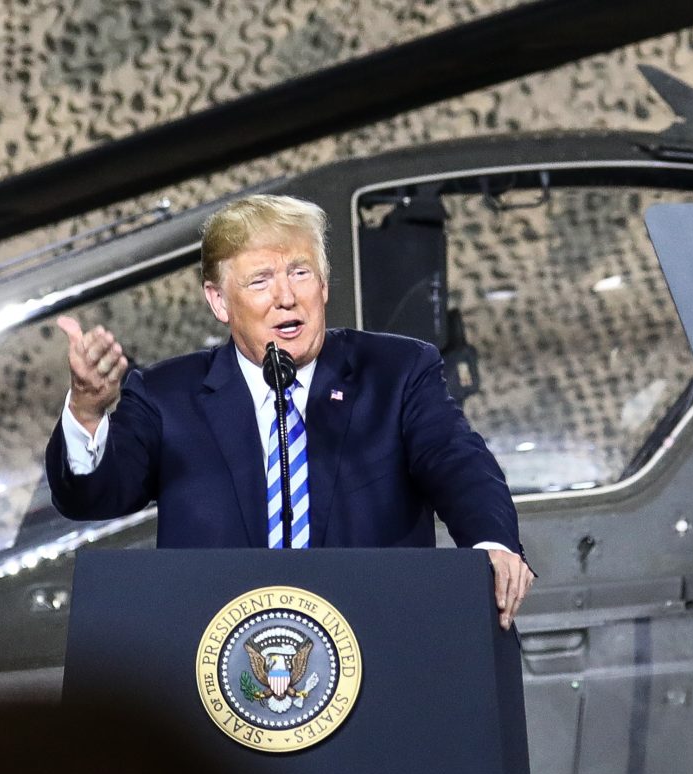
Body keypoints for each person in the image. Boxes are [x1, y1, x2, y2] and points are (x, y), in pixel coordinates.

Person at [45, 194, 533, 629]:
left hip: (378, 647)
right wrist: (87, 411)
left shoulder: (396, 372)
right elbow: (94, 496)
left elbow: (456, 459)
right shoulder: (168, 396)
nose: (285, 296)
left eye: (300, 272)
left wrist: (492, 543)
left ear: (322, 285)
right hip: (216, 675)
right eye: (260, 280)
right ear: (219, 301)